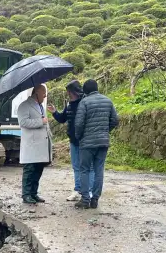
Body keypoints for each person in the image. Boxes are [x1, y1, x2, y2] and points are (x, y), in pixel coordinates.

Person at [74, 79, 119, 209]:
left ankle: (85, 199)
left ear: (85, 90)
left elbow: (79, 123)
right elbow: (115, 120)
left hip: (87, 143)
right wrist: (105, 131)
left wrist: (79, 136)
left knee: (84, 170)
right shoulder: (107, 101)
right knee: (99, 170)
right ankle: (95, 199)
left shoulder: (84, 102)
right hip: (103, 142)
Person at [48, 80, 88, 201]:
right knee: (76, 166)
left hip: (84, 140)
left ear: (74, 91)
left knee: (86, 167)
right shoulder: (69, 104)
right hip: (73, 140)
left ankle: (87, 192)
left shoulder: (84, 102)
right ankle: (77, 190)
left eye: (69, 92)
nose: (68, 94)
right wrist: (55, 112)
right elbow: (62, 119)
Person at [17, 84, 53, 204]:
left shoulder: (40, 106)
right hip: (32, 145)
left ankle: (34, 193)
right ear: (36, 93)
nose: (45, 95)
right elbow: (23, 122)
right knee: (30, 170)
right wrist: (40, 122)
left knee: (38, 169)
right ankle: (26, 194)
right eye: (43, 93)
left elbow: (45, 122)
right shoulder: (24, 106)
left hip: (41, 144)